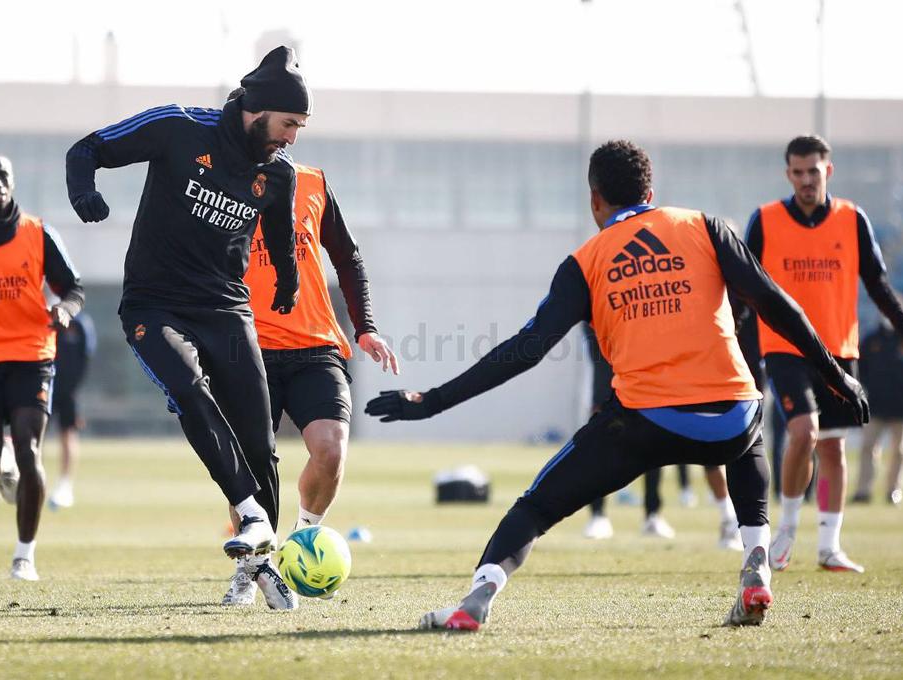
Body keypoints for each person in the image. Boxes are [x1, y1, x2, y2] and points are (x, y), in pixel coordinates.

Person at [366, 140, 868, 630]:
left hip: (644, 421)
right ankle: (756, 561)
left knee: (535, 507)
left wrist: (433, 401)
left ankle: (477, 597)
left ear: (595, 200)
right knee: (747, 426)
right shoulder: (704, 226)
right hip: (730, 419)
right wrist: (836, 375)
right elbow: (776, 304)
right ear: (650, 192)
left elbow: (526, 349)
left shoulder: (585, 260)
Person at [65, 46, 308, 609]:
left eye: (301, 126)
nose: (294, 137)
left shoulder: (278, 173)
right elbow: (87, 149)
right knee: (189, 388)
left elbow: (278, 236)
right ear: (257, 111)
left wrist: (288, 284)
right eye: (289, 123)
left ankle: (256, 566)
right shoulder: (178, 127)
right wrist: (84, 192)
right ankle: (249, 514)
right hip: (154, 307)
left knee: (260, 441)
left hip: (226, 310)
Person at [221, 86, 399, 605]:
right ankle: (252, 568)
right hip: (246, 347)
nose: (289, 137)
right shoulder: (218, 186)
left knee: (331, 449)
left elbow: (348, 257)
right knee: (251, 468)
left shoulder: (312, 182)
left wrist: (365, 327)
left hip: (315, 346)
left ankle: (302, 539)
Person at [742, 135, 903, 574]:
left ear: (827, 170)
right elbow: (744, 291)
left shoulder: (852, 219)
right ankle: (787, 529)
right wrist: (739, 347)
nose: (806, 180)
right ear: (788, 174)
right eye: (798, 172)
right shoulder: (765, 220)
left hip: (839, 352)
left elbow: (878, 285)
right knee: (803, 432)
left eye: (813, 171)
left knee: (833, 448)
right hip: (785, 348)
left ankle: (829, 546)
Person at [0, 153, 84, 580]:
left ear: (12, 182)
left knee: (31, 452)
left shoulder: (38, 232)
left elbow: (74, 288)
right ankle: (1, 457)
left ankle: (24, 556)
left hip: (32, 353)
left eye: (3, 176)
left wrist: (65, 310)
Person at [582, 326, 741, 548]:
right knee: (604, 434)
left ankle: (652, 514)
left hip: (647, 355)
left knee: (652, 432)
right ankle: (598, 515)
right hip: (610, 347)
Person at [852, 315, 903, 506]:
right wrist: (870, 386)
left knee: (900, 450)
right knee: (868, 446)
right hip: (875, 404)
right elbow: (859, 366)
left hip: (902, 405)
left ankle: (894, 491)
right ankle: (863, 491)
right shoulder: (871, 338)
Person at [48, 311, 97, 509]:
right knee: (34, 435)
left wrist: (73, 389)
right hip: (44, 388)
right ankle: (30, 480)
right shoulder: (46, 319)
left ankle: (65, 485)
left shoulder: (81, 324)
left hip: (69, 392)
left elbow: (86, 358)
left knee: (68, 434)